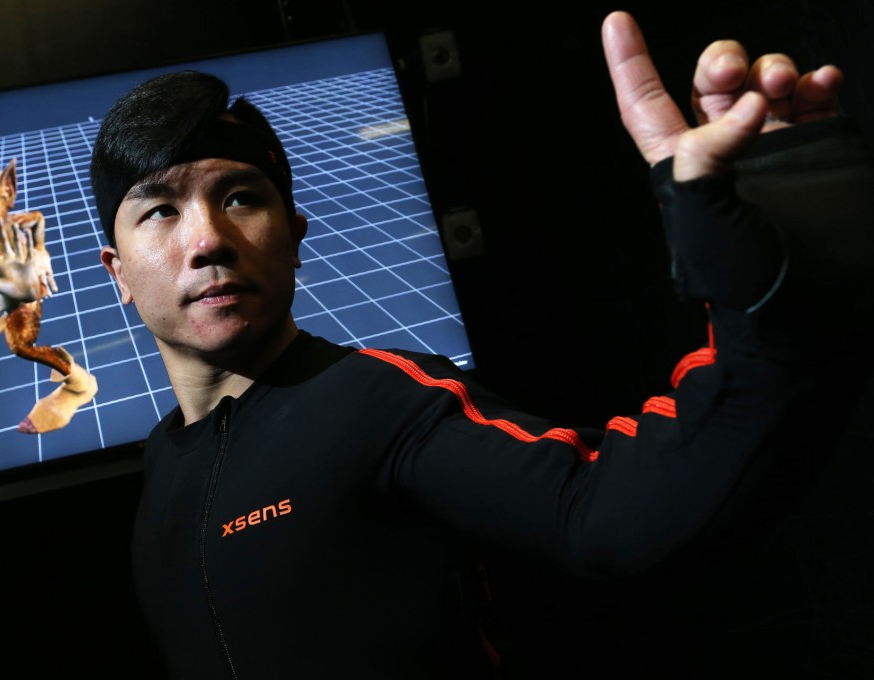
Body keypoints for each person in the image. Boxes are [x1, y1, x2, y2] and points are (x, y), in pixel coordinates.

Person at [89, 10, 873, 679]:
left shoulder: (374, 399)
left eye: (239, 197)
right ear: (117, 271)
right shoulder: (165, 464)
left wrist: (781, 291)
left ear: (293, 237)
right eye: (160, 209)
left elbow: (606, 514)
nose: (208, 239)